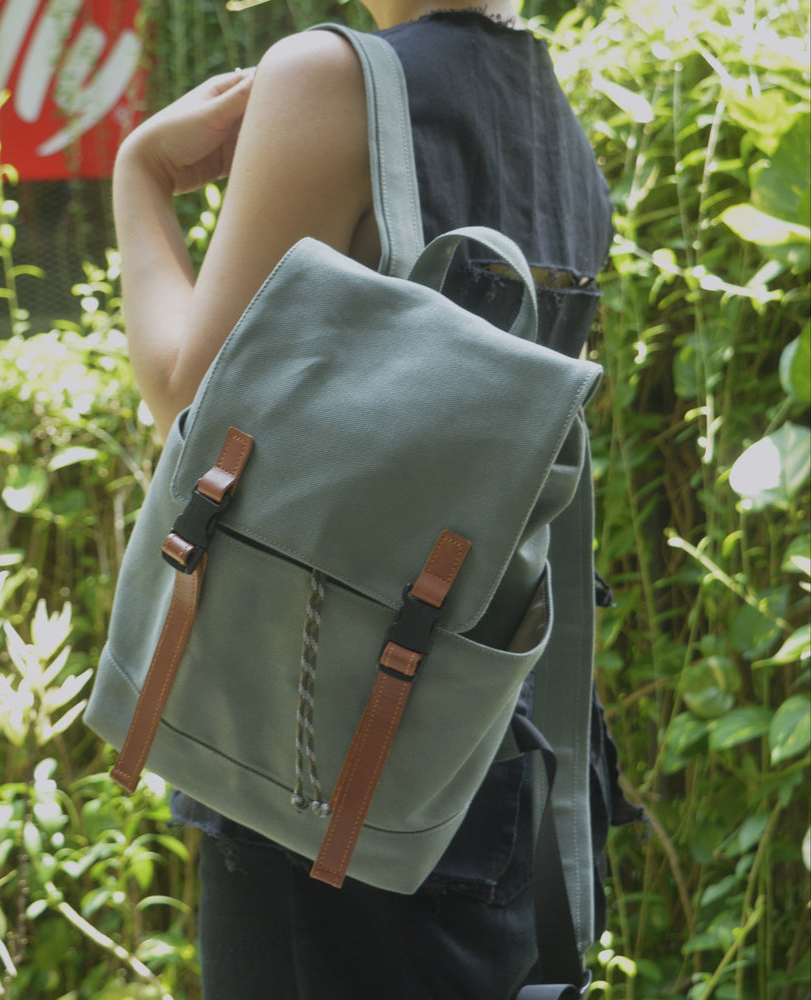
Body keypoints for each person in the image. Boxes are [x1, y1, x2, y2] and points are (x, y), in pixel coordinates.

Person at [111, 1, 637, 996]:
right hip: (489, 746)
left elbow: (189, 389)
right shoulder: (548, 109)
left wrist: (139, 177)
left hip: (314, 744)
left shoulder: (328, 78)